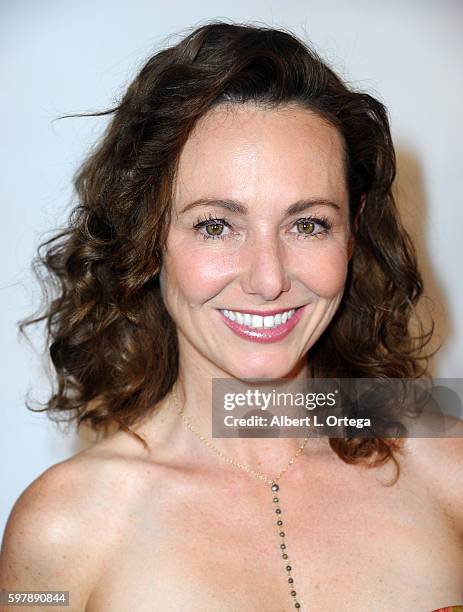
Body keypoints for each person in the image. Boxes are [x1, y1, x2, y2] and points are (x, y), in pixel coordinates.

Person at [1, 21, 462, 612]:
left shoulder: (447, 460)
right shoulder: (61, 530)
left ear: (353, 234)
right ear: (148, 236)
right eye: (216, 226)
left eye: (309, 224)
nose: (268, 279)